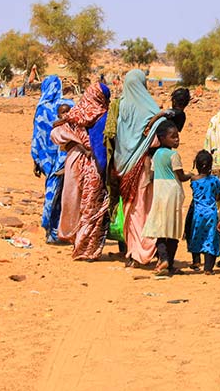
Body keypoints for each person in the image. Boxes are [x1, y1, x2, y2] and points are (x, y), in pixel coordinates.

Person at [51, 82, 111, 261]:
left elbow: (55, 133)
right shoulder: (102, 116)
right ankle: (87, 249)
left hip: (73, 162)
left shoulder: (75, 113)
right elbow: (100, 151)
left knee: (76, 202)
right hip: (92, 166)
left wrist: (75, 143)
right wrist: (104, 171)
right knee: (92, 207)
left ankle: (76, 240)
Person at [111, 69, 165, 268]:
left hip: (124, 167)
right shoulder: (151, 110)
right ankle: (146, 249)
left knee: (131, 210)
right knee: (146, 208)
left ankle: (133, 251)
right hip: (145, 168)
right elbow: (159, 140)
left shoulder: (121, 107)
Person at [143, 120, 192, 275]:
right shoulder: (173, 155)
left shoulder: (156, 154)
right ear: (162, 138)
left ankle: (164, 260)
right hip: (172, 192)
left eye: (177, 136)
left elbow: (151, 175)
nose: (177, 139)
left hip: (159, 192)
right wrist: (192, 175)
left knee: (160, 228)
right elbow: (181, 176)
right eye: (173, 137)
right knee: (173, 228)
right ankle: (168, 262)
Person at [31, 75, 71, 243]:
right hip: (66, 158)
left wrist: (36, 161)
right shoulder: (68, 105)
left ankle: (51, 229)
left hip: (48, 160)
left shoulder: (41, 108)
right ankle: (62, 230)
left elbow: (37, 138)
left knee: (52, 192)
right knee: (66, 194)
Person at [186, 150, 220, 273]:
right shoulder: (214, 180)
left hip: (197, 213)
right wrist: (218, 196)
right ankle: (208, 268)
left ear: (196, 165)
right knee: (211, 238)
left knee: (196, 236)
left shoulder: (193, 180)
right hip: (211, 213)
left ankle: (196, 261)